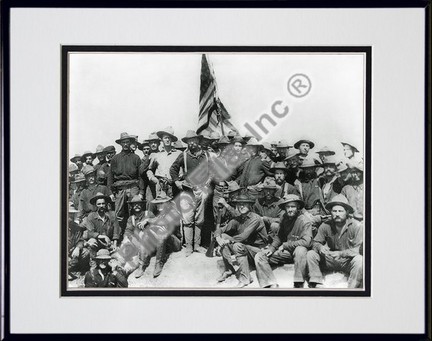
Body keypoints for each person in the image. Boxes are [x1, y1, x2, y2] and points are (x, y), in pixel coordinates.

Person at [254, 194, 312, 288]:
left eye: (293, 206)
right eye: (287, 207)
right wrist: (272, 248)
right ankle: (271, 284)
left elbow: (306, 242)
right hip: (287, 252)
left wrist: (285, 245)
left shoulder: (304, 221)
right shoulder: (284, 218)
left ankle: (299, 283)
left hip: (300, 253)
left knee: (300, 249)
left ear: (298, 207)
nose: (290, 209)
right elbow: (279, 236)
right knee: (260, 256)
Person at [306, 194, 363, 288]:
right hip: (330, 259)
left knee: (360, 260)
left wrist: (341, 254)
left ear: (347, 212)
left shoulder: (356, 226)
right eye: (334, 211)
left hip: (347, 261)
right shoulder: (325, 225)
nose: (337, 214)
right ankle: (317, 283)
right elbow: (315, 242)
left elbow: (358, 250)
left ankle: (353, 288)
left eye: (340, 211)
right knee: (311, 254)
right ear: (330, 212)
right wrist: (320, 247)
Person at [170, 130, 211, 256]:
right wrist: (177, 182)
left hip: (202, 189)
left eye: (194, 140)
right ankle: (189, 247)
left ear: (198, 141)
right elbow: (173, 169)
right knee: (188, 218)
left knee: (200, 218)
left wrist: (208, 181)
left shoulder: (207, 155)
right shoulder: (184, 155)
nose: (191, 143)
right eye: (189, 141)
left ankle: (197, 245)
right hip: (187, 190)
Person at [215, 194, 268, 288]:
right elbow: (222, 229)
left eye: (244, 204)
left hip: (258, 252)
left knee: (236, 245)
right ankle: (229, 269)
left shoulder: (255, 218)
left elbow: (243, 237)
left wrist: (227, 242)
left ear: (250, 206)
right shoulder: (239, 218)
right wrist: (218, 237)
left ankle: (245, 278)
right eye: (239, 204)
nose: (241, 206)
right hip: (246, 249)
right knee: (224, 236)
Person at [107, 132, 143, 232]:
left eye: (127, 142)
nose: (126, 144)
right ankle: (120, 236)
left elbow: (140, 176)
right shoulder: (115, 159)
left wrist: (141, 193)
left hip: (133, 187)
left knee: (135, 211)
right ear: (121, 144)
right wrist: (110, 193)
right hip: (120, 189)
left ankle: (136, 234)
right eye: (124, 142)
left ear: (130, 143)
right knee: (119, 214)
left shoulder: (136, 158)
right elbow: (110, 176)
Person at [82, 192, 121, 260]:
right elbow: (90, 232)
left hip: (109, 242)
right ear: (95, 205)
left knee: (118, 253)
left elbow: (116, 231)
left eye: (103, 203)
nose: (101, 206)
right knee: (92, 242)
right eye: (99, 204)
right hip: (97, 242)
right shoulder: (91, 216)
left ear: (106, 204)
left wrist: (115, 243)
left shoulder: (112, 215)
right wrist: (103, 236)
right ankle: (93, 262)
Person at [147, 126, 181, 198]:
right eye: (165, 138)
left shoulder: (178, 154)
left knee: (175, 207)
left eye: (169, 138)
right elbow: (149, 170)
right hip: (161, 186)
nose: (167, 140)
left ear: (172, 140)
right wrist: (153, 179)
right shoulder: (156, 155)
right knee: (162, 207)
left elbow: (182, 169)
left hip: (174, 185)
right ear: (162, 140)